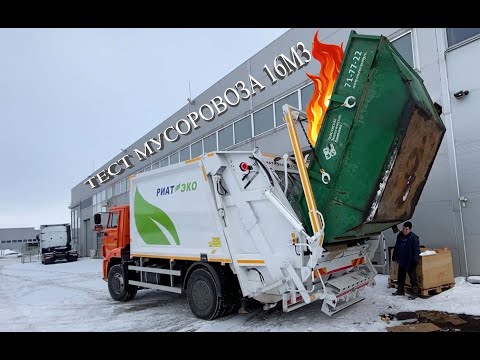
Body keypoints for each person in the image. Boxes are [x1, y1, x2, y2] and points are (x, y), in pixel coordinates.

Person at [392, 221, 420, 298]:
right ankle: (400, 290)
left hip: (410, 260)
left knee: (412, 277)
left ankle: (415, 293)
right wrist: (395, 255)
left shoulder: (414, 238)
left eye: (406, 229)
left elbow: (416, 250)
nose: (404, 230)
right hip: (402, 260)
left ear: (410, 229)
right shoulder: (400, 236)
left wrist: (415, 260)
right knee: (400, 276)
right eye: (403, 229)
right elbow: (397, 246)